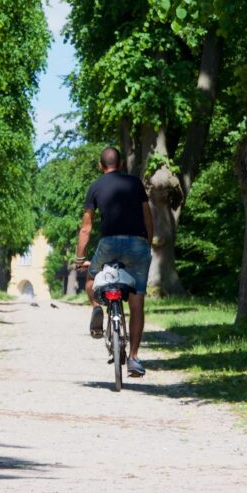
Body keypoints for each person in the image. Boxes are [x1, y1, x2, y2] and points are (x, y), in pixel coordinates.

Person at [75, 146, 153, 377]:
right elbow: (148, 217)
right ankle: (134, 358)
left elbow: (86, 228)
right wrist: (147, 244)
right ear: (121, 164)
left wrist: (80, 258)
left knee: (91, 278)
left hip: (108, 245)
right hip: (137, 244)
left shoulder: (95, 187)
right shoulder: (135, 183)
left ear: (101, 166)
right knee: (137, 301)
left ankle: (97, 308)